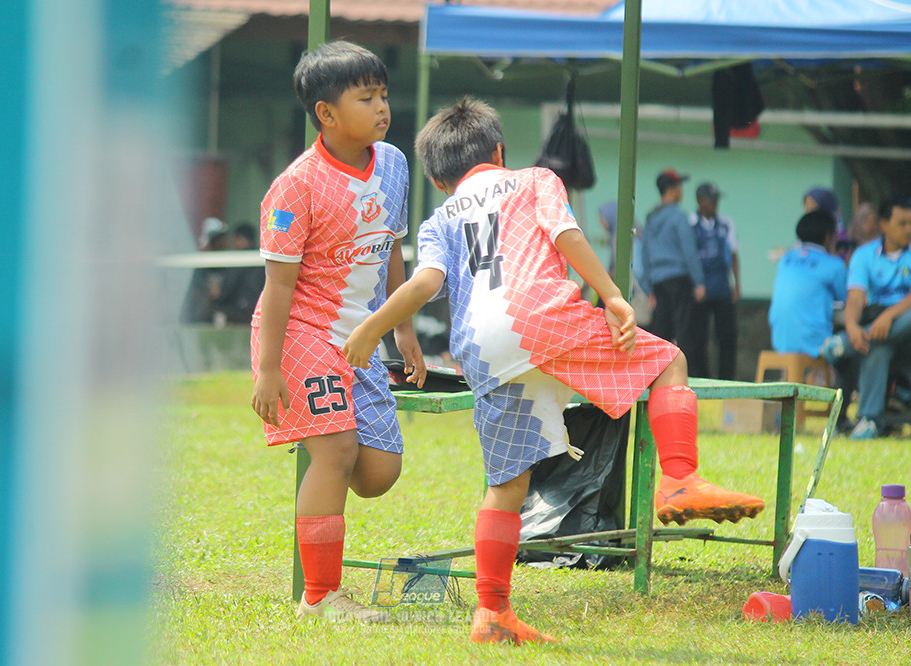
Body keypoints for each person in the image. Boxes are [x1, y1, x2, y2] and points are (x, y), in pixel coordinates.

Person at [343, 98, 764, 645]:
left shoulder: (438, 219)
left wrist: (373, 328)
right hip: (543, 319)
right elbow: (567, 236)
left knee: (507, 486)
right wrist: (612, 295)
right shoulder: (535, 180)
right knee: (670, 362)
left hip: (479, 348)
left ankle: (492, 612)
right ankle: (680, 479)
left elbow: (423, 285)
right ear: (499, 150)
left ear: (439, 180)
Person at [250, 41, 425, 623]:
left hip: (363, 336)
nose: (382, 108)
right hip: (303, 331)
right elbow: (278, 289)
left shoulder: (395, 163)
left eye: (384, 95)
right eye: (366, 97)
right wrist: (269, 370)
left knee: (378, 473)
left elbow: (392, 246)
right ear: (325, 114)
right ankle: (321, 596)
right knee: (338, 451)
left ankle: (327, 439)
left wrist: (401, 332)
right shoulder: (295, 187)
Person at [821, 195, 911, 439]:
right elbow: (856, 298)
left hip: (901, 323)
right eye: (902, 223)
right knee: (876, 346)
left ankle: (844, 345)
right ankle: (869, 421)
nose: (908, 229)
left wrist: (889, 316)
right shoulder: (864, 255)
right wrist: (851, 326)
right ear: (884, 224)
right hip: (881, 330)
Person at [768, 211, 852, 424]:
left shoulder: (786, 258)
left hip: (780, 337)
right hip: (813, 339)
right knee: (851, 357)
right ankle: (840, 418)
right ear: (828, 236)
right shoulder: (833, 264)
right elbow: (846, 300)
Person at [640, 168, 706, 351]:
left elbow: (645, 254)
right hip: (679, 280)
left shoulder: (651, 219)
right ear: (671, 189)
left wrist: (648, 287)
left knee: (661, 331)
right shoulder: (679, 216)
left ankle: (659, 373)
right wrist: (699, 282)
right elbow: (689, 251)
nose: (681, 191)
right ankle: (684, 374)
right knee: (684, 330)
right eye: (679, 186)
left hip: (659, 282)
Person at [686, 182, 740, 379]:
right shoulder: (690, 224)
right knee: (698, 338)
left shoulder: (726, 224)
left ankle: (727, 379)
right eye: (712, 199)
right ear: (700, 201)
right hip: (699, 290)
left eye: (717, 199)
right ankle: (701, 378)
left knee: (727, 336)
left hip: (722, 288)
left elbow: (734, 254)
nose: (715, 203)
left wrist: (737, 284)